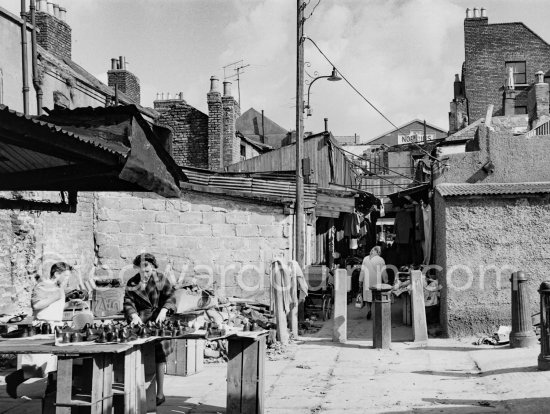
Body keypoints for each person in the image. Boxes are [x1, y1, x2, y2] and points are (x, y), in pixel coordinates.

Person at [5, 262, 73, 399]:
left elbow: (52, 306)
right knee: (37, 367)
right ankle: (14, 379)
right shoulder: (43, 286)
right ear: (56, 274)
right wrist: (56, 296)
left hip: (55, 327)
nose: (67, 279)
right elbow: (36, 305)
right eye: (65, 276)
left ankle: (51, 392)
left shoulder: (57, 288)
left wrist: (69, 303)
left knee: (53, 363)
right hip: (43, 328)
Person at [123, 253, 176, 407]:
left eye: (148, 271)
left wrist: (165, 310)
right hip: (141, 322)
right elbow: (128, 302)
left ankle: (160, 393)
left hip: (159, 322)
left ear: (153, 268)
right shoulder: (132, 282)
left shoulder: (161, 279)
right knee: (139, 355)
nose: (145, 275)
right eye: (142, 271)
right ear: (137, 269)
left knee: (159, 357)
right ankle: (141, 392)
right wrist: (133, 315)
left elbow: (171, 297)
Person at [359, 246, 387, 320]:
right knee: (377, 297)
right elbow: (384, 273)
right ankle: (376, 313)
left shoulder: (365, 259)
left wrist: (360, 281)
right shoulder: (381, 260)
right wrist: (386, 281)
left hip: (367, 282)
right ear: (378, 252)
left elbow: (362, 271)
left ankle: (369, 310)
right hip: (377, 282)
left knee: (368, 298)